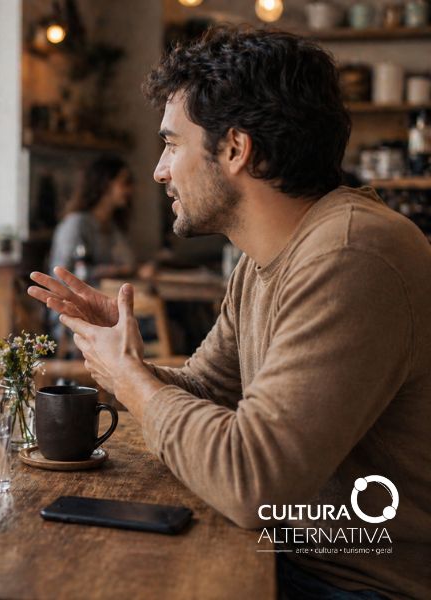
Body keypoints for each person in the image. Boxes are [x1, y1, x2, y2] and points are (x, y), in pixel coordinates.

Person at [28, 27, 430, 599]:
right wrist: (121, 358)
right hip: (287, 555)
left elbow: (253, 481)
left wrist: (135, 384)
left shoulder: (351, 255)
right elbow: (207, 390)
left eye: (171, 144)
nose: (158, 171)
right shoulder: (266, 257)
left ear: (236, 149)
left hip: (358, 581)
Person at [48, 155, 137, 285]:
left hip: (101, 300)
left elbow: (129, 262)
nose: (130, 190)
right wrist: (118, 270)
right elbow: (62, 275)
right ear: (105, 184)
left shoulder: (112, 225)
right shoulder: (76, 224)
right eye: (125, 182)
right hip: (70, 303)